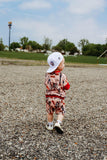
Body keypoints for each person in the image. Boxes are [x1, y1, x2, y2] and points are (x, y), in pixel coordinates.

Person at [45, 52, 70, 134]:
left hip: (49, 98)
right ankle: (58, 123)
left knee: (50, 112)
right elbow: (66, 86)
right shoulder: (62, 76)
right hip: (59, 98)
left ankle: (50, 125)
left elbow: (46, 84)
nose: (64, 65)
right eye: (63, 63)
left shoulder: (47, 75)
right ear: (58, 65)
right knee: (61, 111)